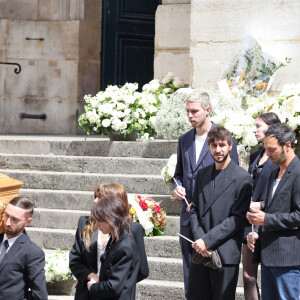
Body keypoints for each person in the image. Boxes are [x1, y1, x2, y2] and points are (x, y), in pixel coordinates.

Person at [172, 90, 239, 296]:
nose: (190, 115)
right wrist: (177, 187)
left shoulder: (223, 139)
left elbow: (232, 177)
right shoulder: (184, 139)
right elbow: (179, 174)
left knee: (214, 278)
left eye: (195, 111)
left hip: (213, 220)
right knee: (189, 272)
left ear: (207, 110)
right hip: (188, 217)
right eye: (187, 111)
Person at [188, 126, 252, 300]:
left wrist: (207, 241)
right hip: (200, 253)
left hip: (224, 253)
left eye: (222, 145)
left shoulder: (243, 178)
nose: (218, 149)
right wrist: (200, 241)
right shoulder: (202, 174)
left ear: (230, 145)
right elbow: (194, 209)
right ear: (209, 147)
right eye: (214, 145)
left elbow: (237, 219)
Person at [247, 123, 300, 300]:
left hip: (288, 261)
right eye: (266, 149)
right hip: (268, 256)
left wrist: (266, 220)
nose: (267, 154)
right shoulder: (272, 172)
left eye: (272, 150)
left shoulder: (298, 172)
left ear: (287, 145)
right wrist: (258, 234)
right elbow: (275, 207)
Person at [69, 183, 149, 300]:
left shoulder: (131, 231)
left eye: (100, 198)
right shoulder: (84, 223)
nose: (95, 201)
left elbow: (142, 270)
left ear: (113, 203)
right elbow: (75, 260)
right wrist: (92, 277)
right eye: (95, 197)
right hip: (87, 291)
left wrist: (117, 283)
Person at [242, 112, 281, 300]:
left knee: (269, 276)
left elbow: (283, 193)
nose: (254, 129)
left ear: (271, 128)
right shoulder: (255, 155)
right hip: (250, 221)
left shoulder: (281, 157)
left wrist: (262, 204)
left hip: (269, 222)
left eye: (258, 126)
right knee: (248, 276)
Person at [87, 195, 139, 299]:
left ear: (111, 219)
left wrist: (93, 287)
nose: (96, 225)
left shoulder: (125, 246)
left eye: (99, 220)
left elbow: (113, 286)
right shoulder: (114, 238)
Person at [0, 197, 48, 300]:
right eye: (6, 215)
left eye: (14, 219)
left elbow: (40, 296)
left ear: (28, 221)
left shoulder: (33, 252)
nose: (8, 222)